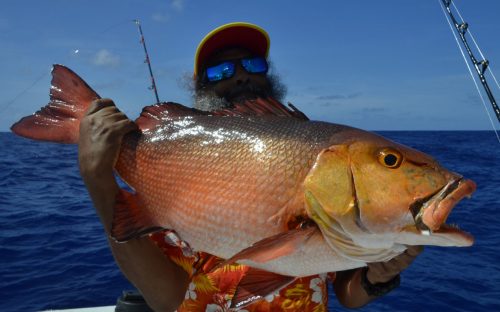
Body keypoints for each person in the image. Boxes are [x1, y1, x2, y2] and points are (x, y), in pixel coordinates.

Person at [78, 22, 423, 311]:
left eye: (253, 64)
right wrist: (98, 180)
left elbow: (348, 292)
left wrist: (378, 277)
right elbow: (165, 298)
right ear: (201, 87)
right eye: (222, 70)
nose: (241, 75)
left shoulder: (320, 157)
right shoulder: (180, 161)